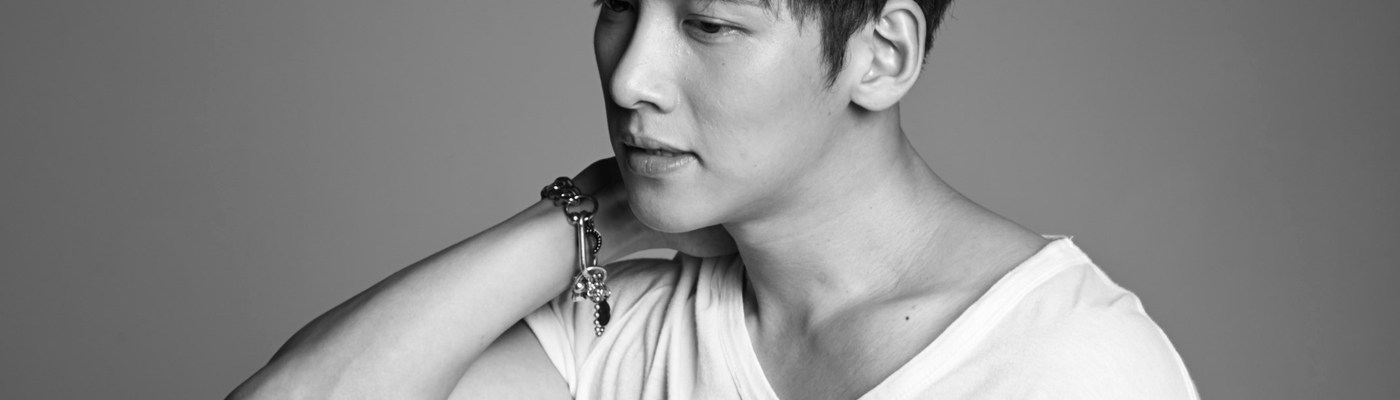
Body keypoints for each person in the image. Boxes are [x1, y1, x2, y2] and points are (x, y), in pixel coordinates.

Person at [229, 0, 1198, 398]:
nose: (629, 76)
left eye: (707, 23)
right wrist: (583, 218)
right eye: (620, 5)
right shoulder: (625, 326)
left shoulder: (1071, 366)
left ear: (881, 55)